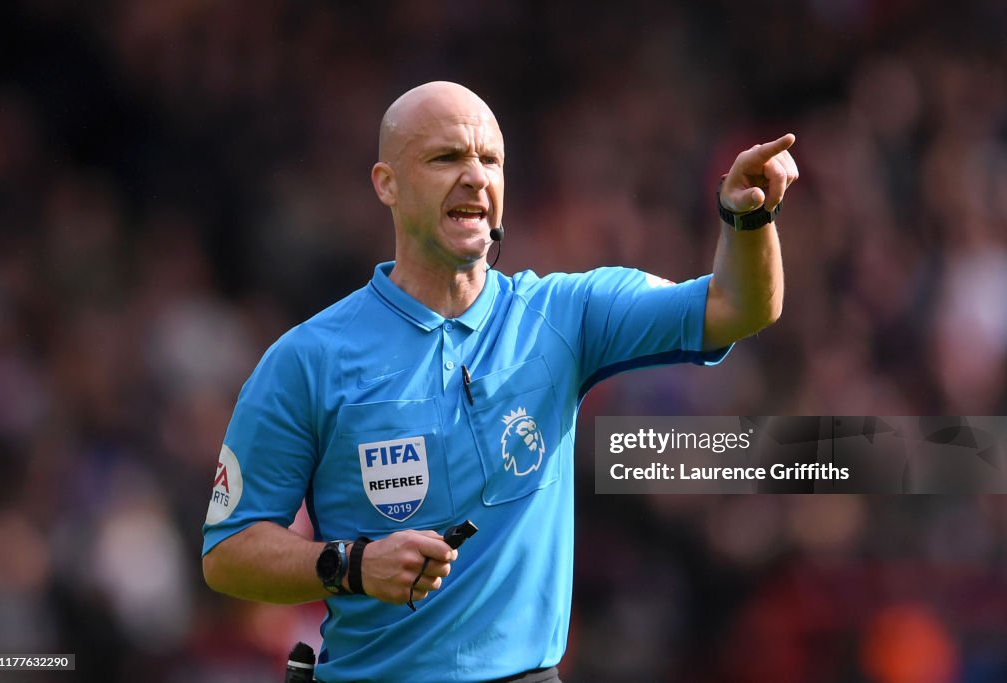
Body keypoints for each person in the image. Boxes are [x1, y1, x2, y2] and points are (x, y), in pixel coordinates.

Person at [201, 81, 798, 682]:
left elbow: (737, 307)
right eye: (446, 158)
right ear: (387, 183)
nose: (475, 177)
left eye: (491, 160)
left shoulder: (564, 316)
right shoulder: (309, 358)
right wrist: (351, 565)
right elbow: (228, 555)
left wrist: (748, 220)